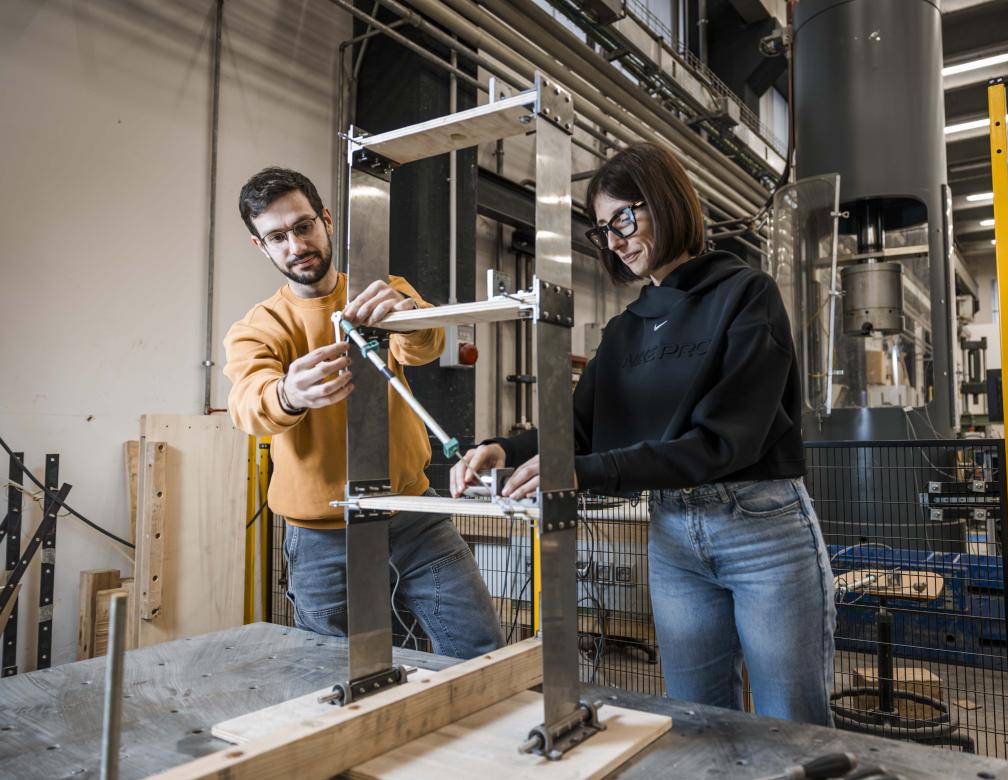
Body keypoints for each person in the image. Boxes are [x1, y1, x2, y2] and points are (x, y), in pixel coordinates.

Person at [452, 143, 836, 723]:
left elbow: (724, 442)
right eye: (603, 229)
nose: (615, 241)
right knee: (693, 719)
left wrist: (585, 472)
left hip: (760, 530)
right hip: (674, 535)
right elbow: (578, 431)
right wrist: (502, 448)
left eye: (625, 219)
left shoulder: (746, 295)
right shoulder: (626, 330)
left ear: (666, 201)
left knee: (791, 723)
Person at [225, 166, 502, 659]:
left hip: (413, 516)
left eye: (304, 226)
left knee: (480, 649)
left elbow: (426, 345)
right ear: (260, 246)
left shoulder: (381, 291)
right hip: (321, 536)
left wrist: (405, 314)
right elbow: (247, 405)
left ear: (327, 220)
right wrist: (288, 393)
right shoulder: (259, 328)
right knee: (332, 670)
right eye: (278, 237)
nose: (296, 245)